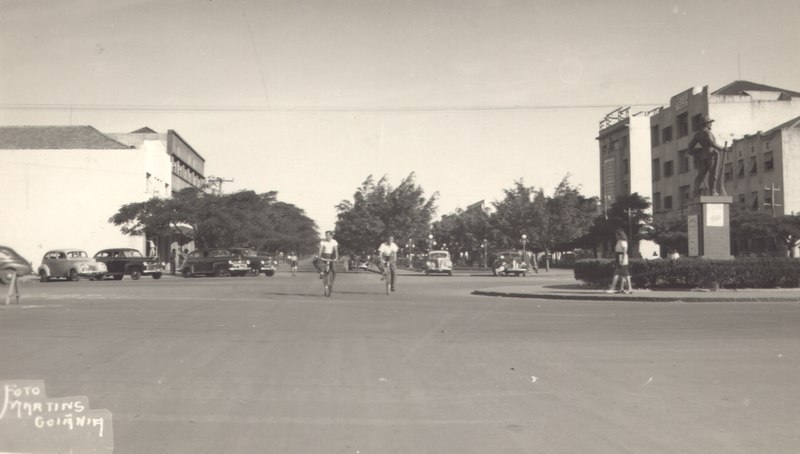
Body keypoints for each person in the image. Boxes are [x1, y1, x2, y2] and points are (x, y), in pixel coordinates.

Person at [688, 115, 729, 197]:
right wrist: (722, 148)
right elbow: (712, 143)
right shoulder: (707, 133)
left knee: (700, 175)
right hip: (711, 155)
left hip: (702, 156)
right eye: (710, 123)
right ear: (706, 124)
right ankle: (713, 192)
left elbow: (690, 147)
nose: (711, 124)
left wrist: (697, 153)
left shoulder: (698, 134)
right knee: (713, 174)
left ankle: (695, 193)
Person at [606, 229, 632, 294]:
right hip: (619, 257)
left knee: (618, 274)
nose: (615, 236)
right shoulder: (619, 241)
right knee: (623, 275)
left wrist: (622, 260)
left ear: (619, 235)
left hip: (621, 257)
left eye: (616, 235)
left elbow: (624, 251)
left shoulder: (623, 242)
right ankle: (621, 288)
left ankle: (613, 288)